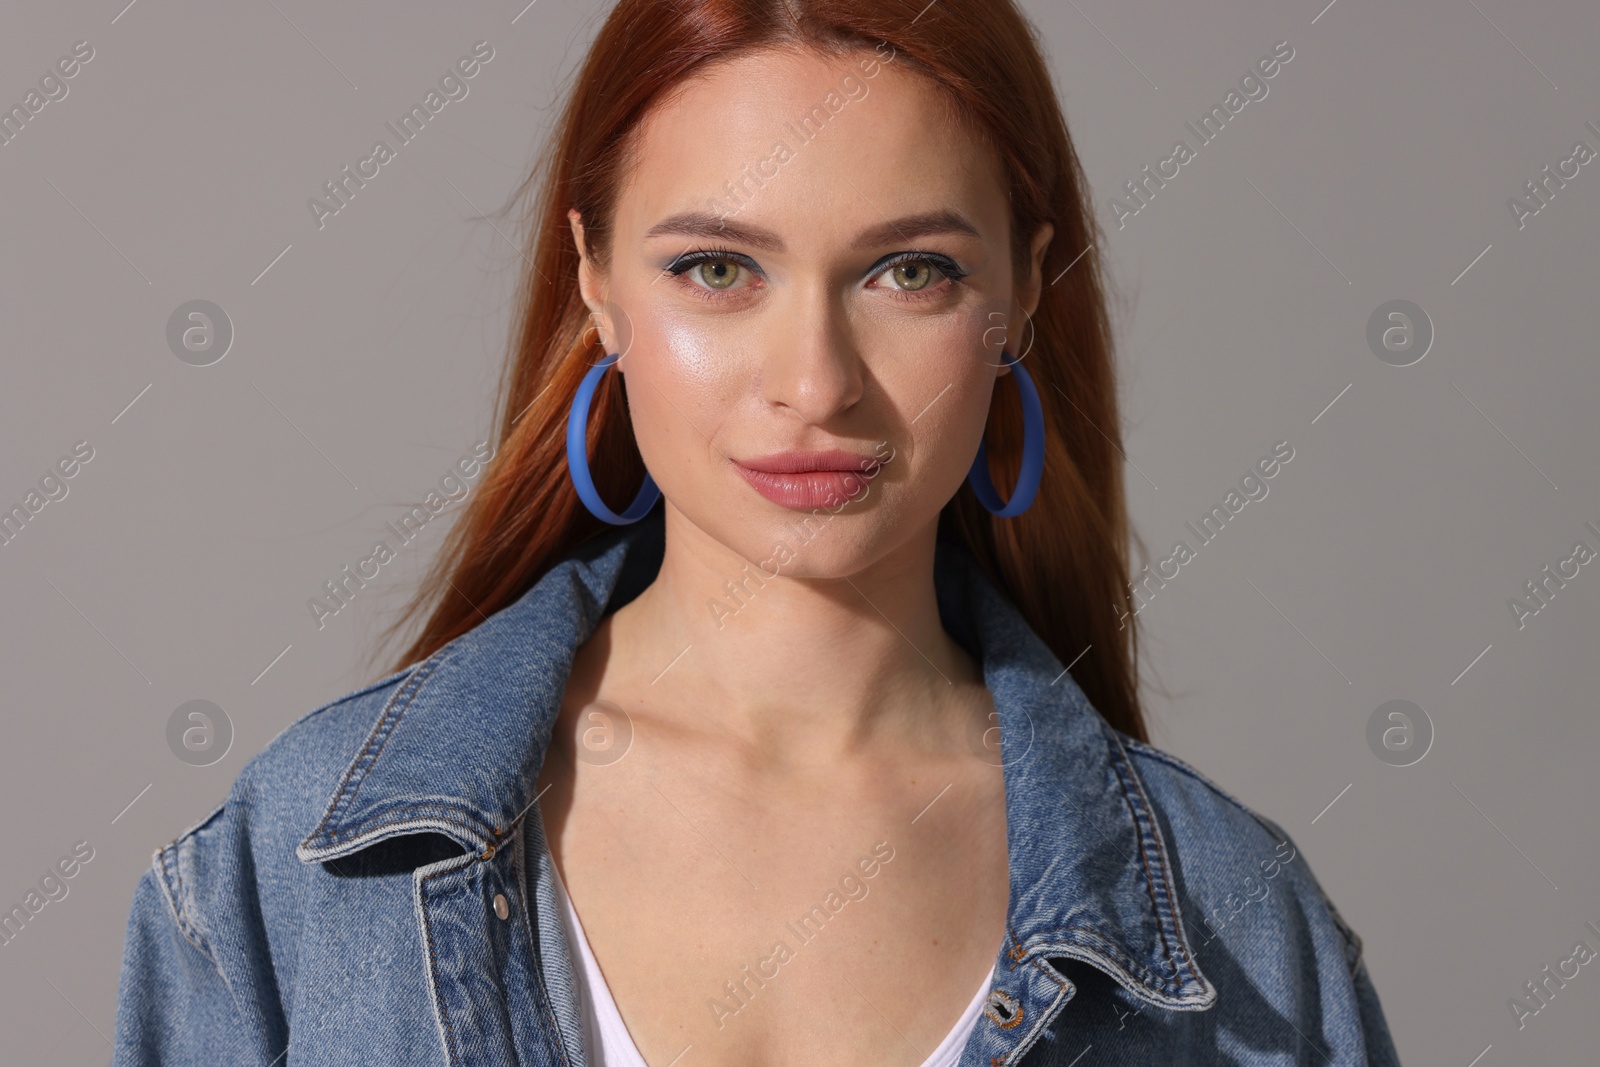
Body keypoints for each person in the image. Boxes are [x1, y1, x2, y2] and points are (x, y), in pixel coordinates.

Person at [111, 1, 1400, 1064]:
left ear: (1017, 290)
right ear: (597, 284)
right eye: (718, 269)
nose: (818, 383)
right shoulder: (290, 881)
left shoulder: (1242, 937)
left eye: (912, 272)